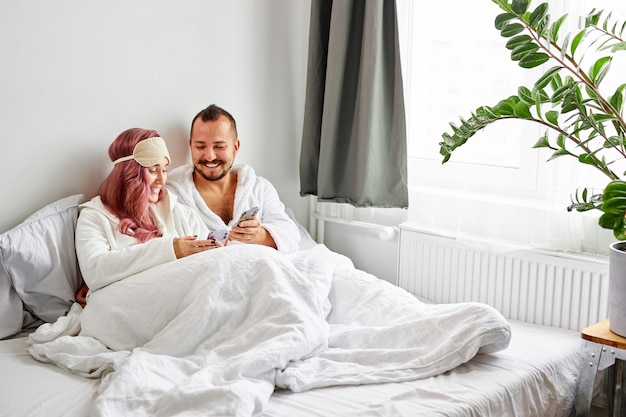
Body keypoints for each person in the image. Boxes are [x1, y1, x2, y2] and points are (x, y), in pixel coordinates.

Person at [75, 128, 222, 304]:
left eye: (165, 170)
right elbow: (95, 271)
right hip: (136, 305)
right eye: (153, 170)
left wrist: (219, 249)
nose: (162, 180)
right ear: (129, 174)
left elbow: (212, 262)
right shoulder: (94, 216)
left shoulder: (179, 212)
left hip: (194, 296)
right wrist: (171, 249)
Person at [166, 104, 300, 254]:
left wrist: (260, 236)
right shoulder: (172, 195)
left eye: (219, 146)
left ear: (235, 147)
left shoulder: (259, 188)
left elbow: (291, 235)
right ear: (191, 146)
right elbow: (162, 244)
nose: (210, 156)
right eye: (200, 146)